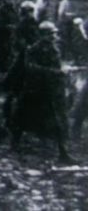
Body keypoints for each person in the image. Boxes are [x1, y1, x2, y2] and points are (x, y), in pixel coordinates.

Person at [10, 22, 76, 165]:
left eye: (55, 33)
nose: (55, 36)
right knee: (22, 118)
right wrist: (57, 72)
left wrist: (64, 69)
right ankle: (15, 142)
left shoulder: (54, 48)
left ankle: (63, 152)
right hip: (36, 91)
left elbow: (56, 65)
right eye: (52, 33)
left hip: (53, 91)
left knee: (59, 121)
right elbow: (31, 68)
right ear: (44, 35)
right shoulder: (33, 50)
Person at [0, 0, 18, 73]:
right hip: (1, 35)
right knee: (2, 53)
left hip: (12, 34)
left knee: (11, 52)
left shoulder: (14, 10)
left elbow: (17, 20)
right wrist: (8, 26)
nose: (10, 0)